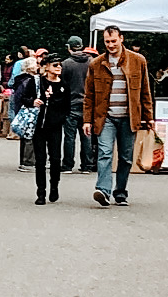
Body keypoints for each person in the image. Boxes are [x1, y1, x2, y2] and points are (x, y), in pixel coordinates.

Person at [84, 24, 154, 207]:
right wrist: (87, 120)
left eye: (113, 41)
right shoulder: (96, 64)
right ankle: (103, 191)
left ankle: (121, 192)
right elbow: (89, 94)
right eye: (107, 41)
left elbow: (145, 91)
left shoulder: (138, 60)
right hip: (105, 117)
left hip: (129, 117)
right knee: (104, 153)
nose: (110, 45)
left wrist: (149, 116)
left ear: (121, 39)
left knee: (126, 157)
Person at [30, 55, 70, 205]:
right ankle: (41, 192)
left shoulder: (64, 85)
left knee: (55, 159)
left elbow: (67, 106)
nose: (58, 67)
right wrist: (34, 101)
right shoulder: (37, 82)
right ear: (46, 67)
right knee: (40, 160)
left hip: (55, 127)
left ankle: (54, 187)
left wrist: (60, 115)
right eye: (55, 65)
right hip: (39, 126)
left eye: (60, 65)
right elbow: (24, 98)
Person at [60, 35, 95, 174]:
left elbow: (62, 84)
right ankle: (87, 165)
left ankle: (68, 165)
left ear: (69, 48)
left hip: (71, 103)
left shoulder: (66, 64)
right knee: (87, 135)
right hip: (88, 103)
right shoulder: (92, 62)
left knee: (69, 136)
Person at [11, 56, 39, 171]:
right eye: (36, 64)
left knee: (24, 136)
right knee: (30, 136)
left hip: (22, 110)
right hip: (29, 110)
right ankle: (28, 161)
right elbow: (24, 97)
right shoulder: (29, 80)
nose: (38, 66)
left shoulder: (19, 80)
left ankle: (24, 160)